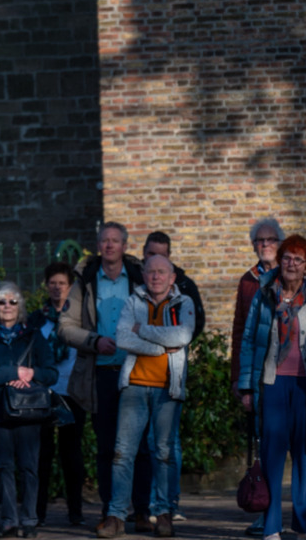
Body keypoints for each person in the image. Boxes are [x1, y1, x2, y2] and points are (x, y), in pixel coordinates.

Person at [237, 235, 306, 540]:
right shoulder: (265, 292)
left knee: (303, 454)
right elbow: (249, 340)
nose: (291, 264)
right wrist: (246, 387)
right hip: (272, 383)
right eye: (287, 257)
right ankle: (272, 526)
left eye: (298, 260)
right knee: (273, 454)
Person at [96, 255, 196, 540]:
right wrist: (157, 349)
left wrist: (144, 332)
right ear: (144, 275)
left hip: (168, 387)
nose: (155, 277)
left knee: (164, 452)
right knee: (122, 452)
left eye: (162, 272)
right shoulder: (133, 301)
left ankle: (164, 514)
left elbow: (183, 336)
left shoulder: (183, 303)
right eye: (151, 272)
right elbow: (123, 338)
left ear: (172, 277)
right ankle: (116, 516)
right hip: (134, 386)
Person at [75, 223, 149, 528]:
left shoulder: (139, 278)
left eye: (115, 241)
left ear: (124, 245)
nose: (109, 246)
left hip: (136, 372)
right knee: (106, 447)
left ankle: (142, 510)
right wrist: (93, 341)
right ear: (98, 245)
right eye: (104, 241)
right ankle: (110, 511)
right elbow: (66, 326)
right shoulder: (86, 281)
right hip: (102, 373)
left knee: (141, 446)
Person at [0, 281, 60, 540]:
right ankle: (9, 521)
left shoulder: (33, 336)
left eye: (13, 301)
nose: (8, 306)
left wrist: (31, 373)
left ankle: (30, 520)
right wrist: (13, 372)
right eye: (2, 302)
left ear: (20, 306)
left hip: (28, 410)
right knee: (3, 467)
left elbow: (51, 373)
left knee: (29, 467)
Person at [139, 232, 203, 522]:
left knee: (166, 441)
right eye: (150, 255)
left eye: (161, 256)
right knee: (142, 443)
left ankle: (167, 504)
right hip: (138, 373)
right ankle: (148, 505)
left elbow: (194, 326)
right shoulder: (137, 285)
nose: (155, 262)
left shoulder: (184, 287)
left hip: (171, 372)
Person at [234, 218, 285, 539]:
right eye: (259, 241)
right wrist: (239, 381)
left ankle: (300, 514)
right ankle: (266, 512)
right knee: (263, 448)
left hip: (291, 374)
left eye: (270, 240)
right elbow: (240, 332)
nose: (265, 245)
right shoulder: (248, 281)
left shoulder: (293, 274)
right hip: (258, 376)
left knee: (292, 449)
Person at [36, 261, 90, 529]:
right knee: (42, 453)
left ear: (71, 287)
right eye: (53, 283)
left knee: (71, 453)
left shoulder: (79, 318)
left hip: (72, 390)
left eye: (63, 284)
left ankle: (75, 512)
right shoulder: (37, 319)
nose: (57, 288)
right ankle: (38, 512)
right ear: (46, 286)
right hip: (44, 392)